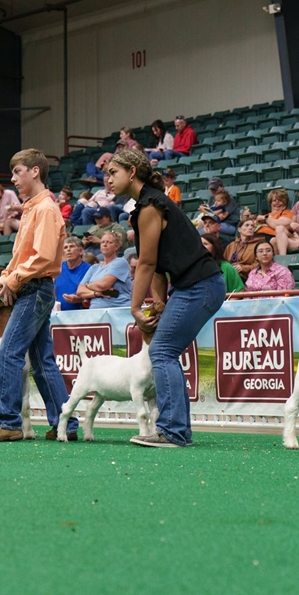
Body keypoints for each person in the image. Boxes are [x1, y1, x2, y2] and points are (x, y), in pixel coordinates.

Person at [107, 149, 225, 448]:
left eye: (112, 173)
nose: (107, 179)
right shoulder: (149, 205)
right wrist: (158, 302)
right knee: (164, 351)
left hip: (200, 285)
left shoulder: (150, 206)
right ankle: (177, 431)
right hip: (197, 285)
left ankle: (172, 431)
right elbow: (158, 267)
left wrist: (135, 307)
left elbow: (145, 263)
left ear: (132, 172)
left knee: (161, 352)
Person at [0, 149, 78, 442]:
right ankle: (65, 424)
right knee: (43, 360)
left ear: (35, 171)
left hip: (34, 287)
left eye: (18, 172)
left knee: (9, 352)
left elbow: (42, 257)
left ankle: (8, 422)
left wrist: (13, 279)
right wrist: (6, 278)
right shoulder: (35, 208)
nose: (13, 179)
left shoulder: (43, 209)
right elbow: (24, 256)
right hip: (35, 286)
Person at [73, 232, 132, 309]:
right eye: (102, 242)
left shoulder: (120, 262)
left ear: (117, 246)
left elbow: (103, 285)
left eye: (109, 242)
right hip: (96, 311)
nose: (104, 244)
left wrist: (87, 285)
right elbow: (80, 291)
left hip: (118, 309)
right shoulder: (94, 268)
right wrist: (96, 293)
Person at [55, 236, 90, 311]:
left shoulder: (89, 269)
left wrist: (79, 299)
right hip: (58, 315)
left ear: (81, 251)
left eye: (72, 246)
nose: (68, 250)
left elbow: (94, 294)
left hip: (81, 313)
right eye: (65, 247)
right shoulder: (58, 268)